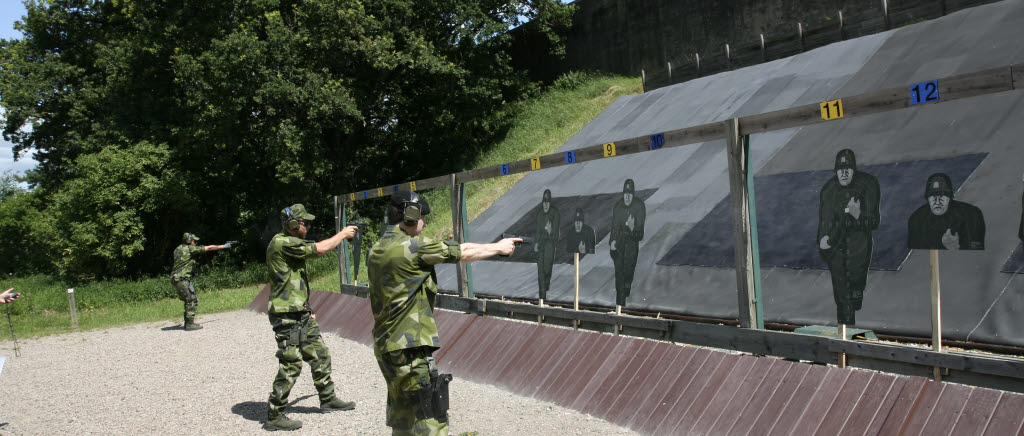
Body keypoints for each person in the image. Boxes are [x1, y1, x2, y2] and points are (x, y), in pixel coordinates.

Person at [367, 191, 518, 435]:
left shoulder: (376, 248)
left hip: (387, 346)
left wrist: (496, 246)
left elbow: (457, 248)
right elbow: (462, 252)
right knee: (430, 418)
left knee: (404, 419)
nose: (424, 223)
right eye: (422, 217)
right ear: (410, 215)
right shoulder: (413, 247)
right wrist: (499, 248)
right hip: (410, 348)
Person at [264, 204, 360, 431]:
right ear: (293, 225)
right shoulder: (283, 243)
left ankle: (327, 399)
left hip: (300, 312)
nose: (308, 226)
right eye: (304, 223)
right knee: (291, 363)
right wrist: (343, 234)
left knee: (320, 354)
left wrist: (307, 306)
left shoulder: (291, 243)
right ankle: (274, 414)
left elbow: (295, 280)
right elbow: (320, 249)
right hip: (287, 315)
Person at [817, 149, 880, 326]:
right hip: (836, 247)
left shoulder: (868, 184)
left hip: (859, 247)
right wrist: (822, 240)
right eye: (840, 169)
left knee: (855, 290)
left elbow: (874, 221)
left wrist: (858, 215)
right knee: (842, 295)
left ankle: (850, 317)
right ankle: (846, 329)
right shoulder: (829, 190)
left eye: (848, 169)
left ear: (854, 170)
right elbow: (824, 220)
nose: (844, 173)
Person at [908, 173, 985, 250]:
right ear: (927, 198)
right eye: (933, 196)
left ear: (949, 198)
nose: (937, 202)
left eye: (942, 196)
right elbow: (916, 253)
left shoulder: (971, 214)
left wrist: (956, 248)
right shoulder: (917, 219)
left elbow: (977, 253)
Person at [171, 233, 231, 331]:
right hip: (182, 279)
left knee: (188, 299)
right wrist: (223, 246)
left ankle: (188, 322)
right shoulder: (190, 248)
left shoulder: (178, 249)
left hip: (176, 278)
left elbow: (183, 262)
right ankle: (189, 324)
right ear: (189, 241)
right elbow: (209, 248)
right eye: (194, 241)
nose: (196, 243)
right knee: (192, 300)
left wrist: (189, 272)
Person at [610, 179, 645, 307]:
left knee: (627, 277)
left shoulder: (639, 206)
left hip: (631, 246)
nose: (627, 196)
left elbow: (640, 234)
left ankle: (623, 300)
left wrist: (632, 229)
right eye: (626, 193)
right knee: (619, 276)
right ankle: (620, 305)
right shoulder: (618, 206)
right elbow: (613, 228)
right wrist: (612, 242)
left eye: (630, 193)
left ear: (633, 194)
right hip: (619, 244)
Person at [534, 189, 560, 300]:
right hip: (541, 245)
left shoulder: (555, 213)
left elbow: (556, 235)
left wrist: (549, 231)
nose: (545, 204)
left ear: (550, 203)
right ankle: (542, 296)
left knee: (547, 269)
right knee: (540, 271)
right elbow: (537, 231)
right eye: (544, 202)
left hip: (550, 244)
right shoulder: (540, 214)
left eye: (547, 202)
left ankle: (546, 287)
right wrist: (536, 243)